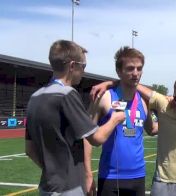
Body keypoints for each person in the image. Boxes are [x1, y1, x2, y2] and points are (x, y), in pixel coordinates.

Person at [25, 40, 126, 195]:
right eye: (83, 66)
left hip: (46, 187)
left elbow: (30, 150)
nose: (84, 71)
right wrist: (116, 118)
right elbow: (96, 138)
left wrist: (52, 171)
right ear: (72, 66)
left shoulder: (34, 97)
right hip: (69, 188)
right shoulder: (67, 94)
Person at [84, 46, 157, 196]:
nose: (136, 73)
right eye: (130, 69)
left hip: (138, 176)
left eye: (139, 68)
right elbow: (86, 137)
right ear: (119, 71)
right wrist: (87, 174)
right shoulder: (105, 98)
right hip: (110, 177)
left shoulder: (144, 101)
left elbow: (152, 129)